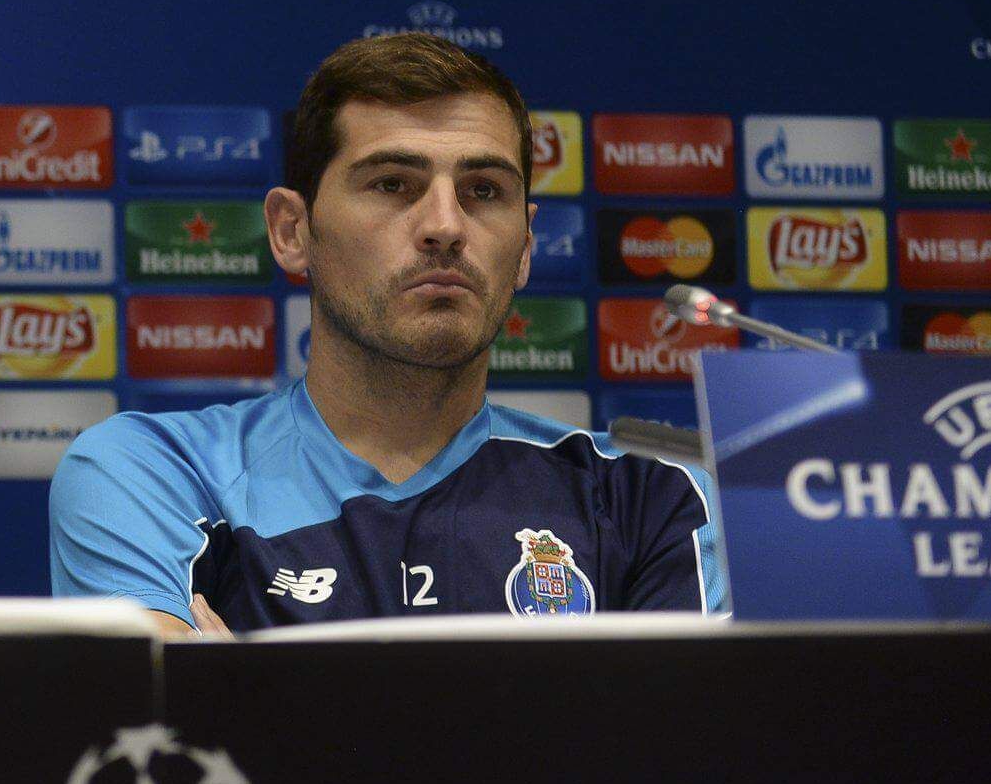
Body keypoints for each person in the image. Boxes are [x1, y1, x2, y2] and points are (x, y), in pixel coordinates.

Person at [49, 33, 724, 636]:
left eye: (484, 191)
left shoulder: (651, 498)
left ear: (524, 247)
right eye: (393, 184)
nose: (445, 225)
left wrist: (244, 698)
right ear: (292, 230)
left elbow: (674, 767)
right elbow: (168, 753)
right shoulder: (156, 472)